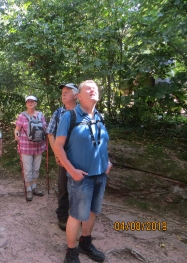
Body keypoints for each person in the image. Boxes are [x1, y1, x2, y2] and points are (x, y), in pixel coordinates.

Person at [55, 80, 112, 263]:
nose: (93, 89)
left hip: (100, 175)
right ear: (79, 97)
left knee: (92, 212)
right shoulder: (70, 116)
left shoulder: (100, 117)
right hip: (81, 178)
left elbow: (102, 143)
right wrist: (71, 170)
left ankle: (85, 243)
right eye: (88, 88)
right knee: (76, 215)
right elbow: (58, 146)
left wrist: (107, 162)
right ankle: (71, 253)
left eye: (95, 87)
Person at [47, 83, 78, 231]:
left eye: (67, 92)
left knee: (80, 185)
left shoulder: (83, 112)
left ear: (76, 95)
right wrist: (56, 153)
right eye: (63, 92)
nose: (63, 94)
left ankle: (79, 215)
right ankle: (63, 216)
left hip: (81, 156)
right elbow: (50, 133)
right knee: (63, 186)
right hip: (63, 155)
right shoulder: (58, 113)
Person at [15, 95, 46, 201]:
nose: (30, 102)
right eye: (28, 101)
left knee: (36, 168)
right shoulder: (21, 116)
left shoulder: (41, 115)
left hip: (39, 145)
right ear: (26, 104)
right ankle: (28, 189)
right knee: (27, 169)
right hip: (26, 146)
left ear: (36, 103)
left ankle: (34, 187)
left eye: (32, 101)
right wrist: (16, 135)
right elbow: (17, 129)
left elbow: (44, 128)